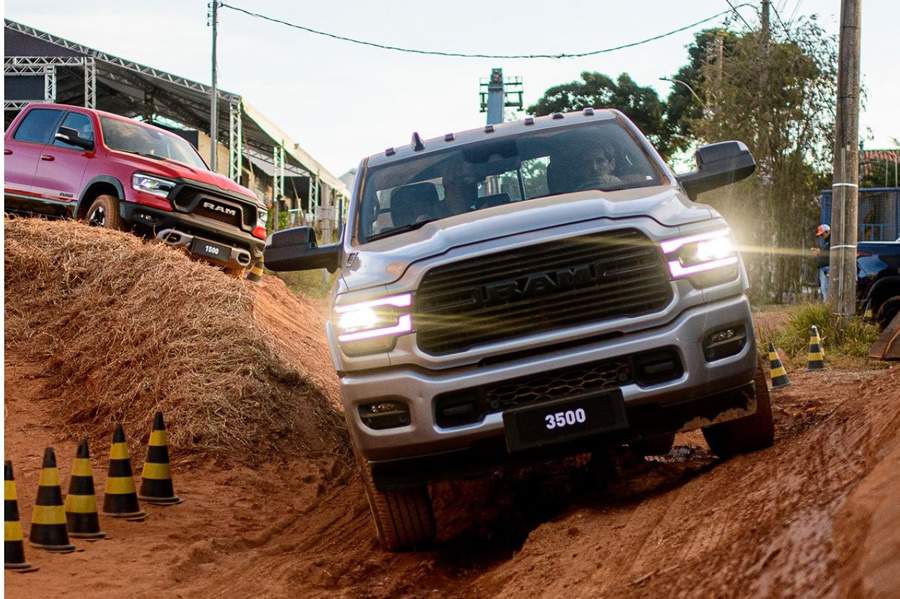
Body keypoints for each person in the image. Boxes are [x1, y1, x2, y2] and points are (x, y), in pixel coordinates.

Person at [812, 224, 831, 300]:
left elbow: (829, 253)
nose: (822, 236)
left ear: (827, 232)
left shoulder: (832, 241)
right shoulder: (826, 242)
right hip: (824, 268)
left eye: (822, 234)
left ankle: (828, 305)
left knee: (826, 288)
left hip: (827, 268)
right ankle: (827, 304)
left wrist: (819, 252)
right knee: (824, 288)